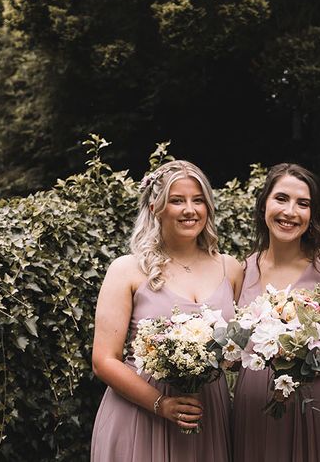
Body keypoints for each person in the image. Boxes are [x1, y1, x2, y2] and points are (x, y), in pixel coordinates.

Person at [91, 160, 243, 462]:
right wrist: (161, 403)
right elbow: (104, 360)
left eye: (198, 200)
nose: (190, 210)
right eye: (177, 200)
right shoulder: (127, 270)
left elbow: (236, 348)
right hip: (140, 414)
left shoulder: (231, 268)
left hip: (206, 413)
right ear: (155, 207)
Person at [232, 163, 320, 462]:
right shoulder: (242, 271)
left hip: (314, 403)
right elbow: (232, 351)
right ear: (264, 203)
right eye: (281, 199)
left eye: (303, 204)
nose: (290, 212)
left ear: (312, 214)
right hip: (253, 407)